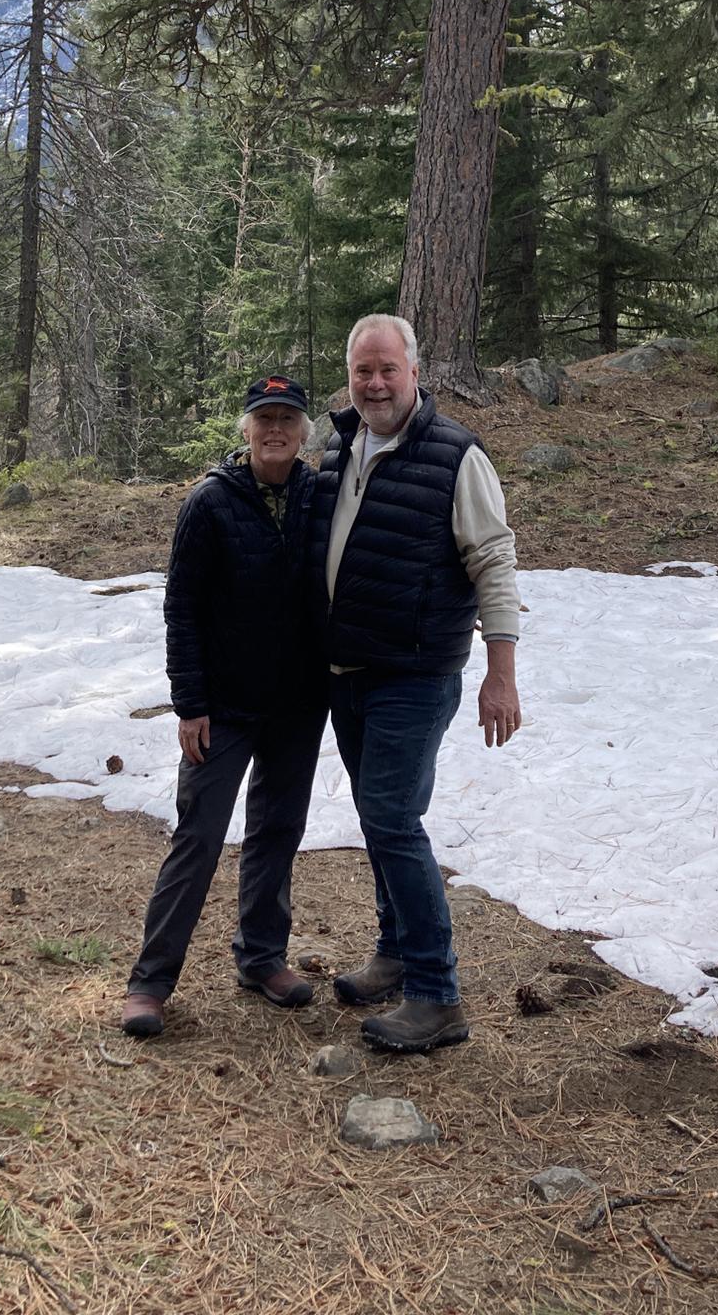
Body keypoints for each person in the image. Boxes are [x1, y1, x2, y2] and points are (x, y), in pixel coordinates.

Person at [311, 314, 522, 1054]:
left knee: (393, 819)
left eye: (386, 370)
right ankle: (396, 952)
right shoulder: (339, 445)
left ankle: (437, 994)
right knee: (379, 819)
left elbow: (493, 561)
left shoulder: (457, 456)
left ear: (415, 374)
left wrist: (501, 673)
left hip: (415, 673)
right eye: (362, 370)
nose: (373, 383)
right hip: (347, 674)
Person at [120, 375, 328, 1038]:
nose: (275, 430)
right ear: (245, 429)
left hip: (298, 704)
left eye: (287, 419)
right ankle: (150, 984)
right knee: (200, 837)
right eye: (264, 418)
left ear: (302, 432)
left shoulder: (317, 496)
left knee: (276, 833)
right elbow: (181, 608)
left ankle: (262, 958)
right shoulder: (210, 502)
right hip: (224, 707)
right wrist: (191, 704)